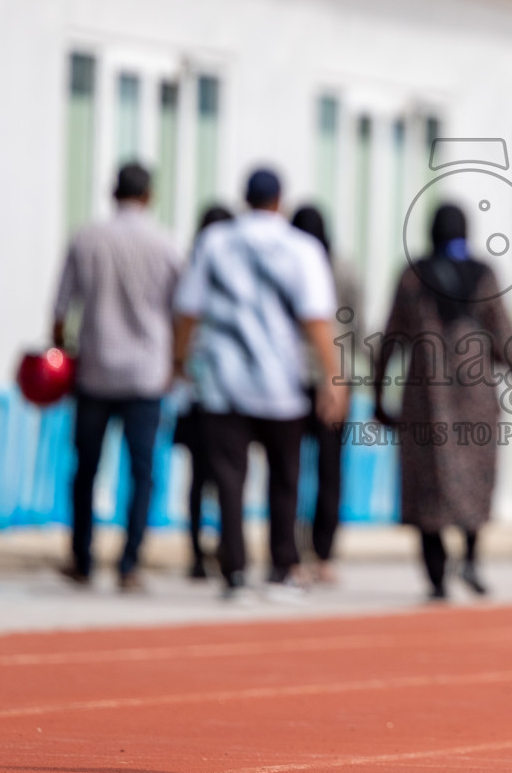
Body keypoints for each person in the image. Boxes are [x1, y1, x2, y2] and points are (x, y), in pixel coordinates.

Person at [172, 168, 348, 601]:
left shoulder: (214, 242)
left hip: (223, 382)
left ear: (244, 198)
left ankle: (233, 570)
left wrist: (179, 361)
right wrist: (333, 377)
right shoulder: (301, 248)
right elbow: (317, 320)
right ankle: (282, 566)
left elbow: (189, 309)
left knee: (229, 478)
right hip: (280, 384)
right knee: (284, 479)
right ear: (279, 201)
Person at [373, 204, 512, 601]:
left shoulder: (412, 276)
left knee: (426, 484)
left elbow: (390, 337)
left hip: (426, 397)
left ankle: (436, 576)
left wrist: (377, 393)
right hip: (476, 397)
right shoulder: (484, 276)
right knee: (475, 481)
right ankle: (472, 560)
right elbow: (506, 336)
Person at [51, 162, 183, 593]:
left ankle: (82, 558)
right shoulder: (165, 246)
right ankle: (129, 564)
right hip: (146, 374)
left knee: (86, 469)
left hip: (95, 370)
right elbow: (182, 313)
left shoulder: (87, 238)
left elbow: (59, 310)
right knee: (141, 472)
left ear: (113, 193)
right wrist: (176, 364)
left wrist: (65, 355)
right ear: (149, 196)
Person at [290, 204, 362, 584]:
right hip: (334, 379)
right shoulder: (343, 269)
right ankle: (322, 553)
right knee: (330, 471)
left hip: (290, 378)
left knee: (287, 470)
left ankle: (289, 552)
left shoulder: (286, 267)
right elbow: (357, 328)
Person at [175, 203, 234, 580]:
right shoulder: (233, 275)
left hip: (197, 390)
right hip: (226, 390)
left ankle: (199, 552)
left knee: (199, 478)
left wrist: (178, 366)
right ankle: (224, 549)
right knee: (229, 475)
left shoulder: (190, 271)